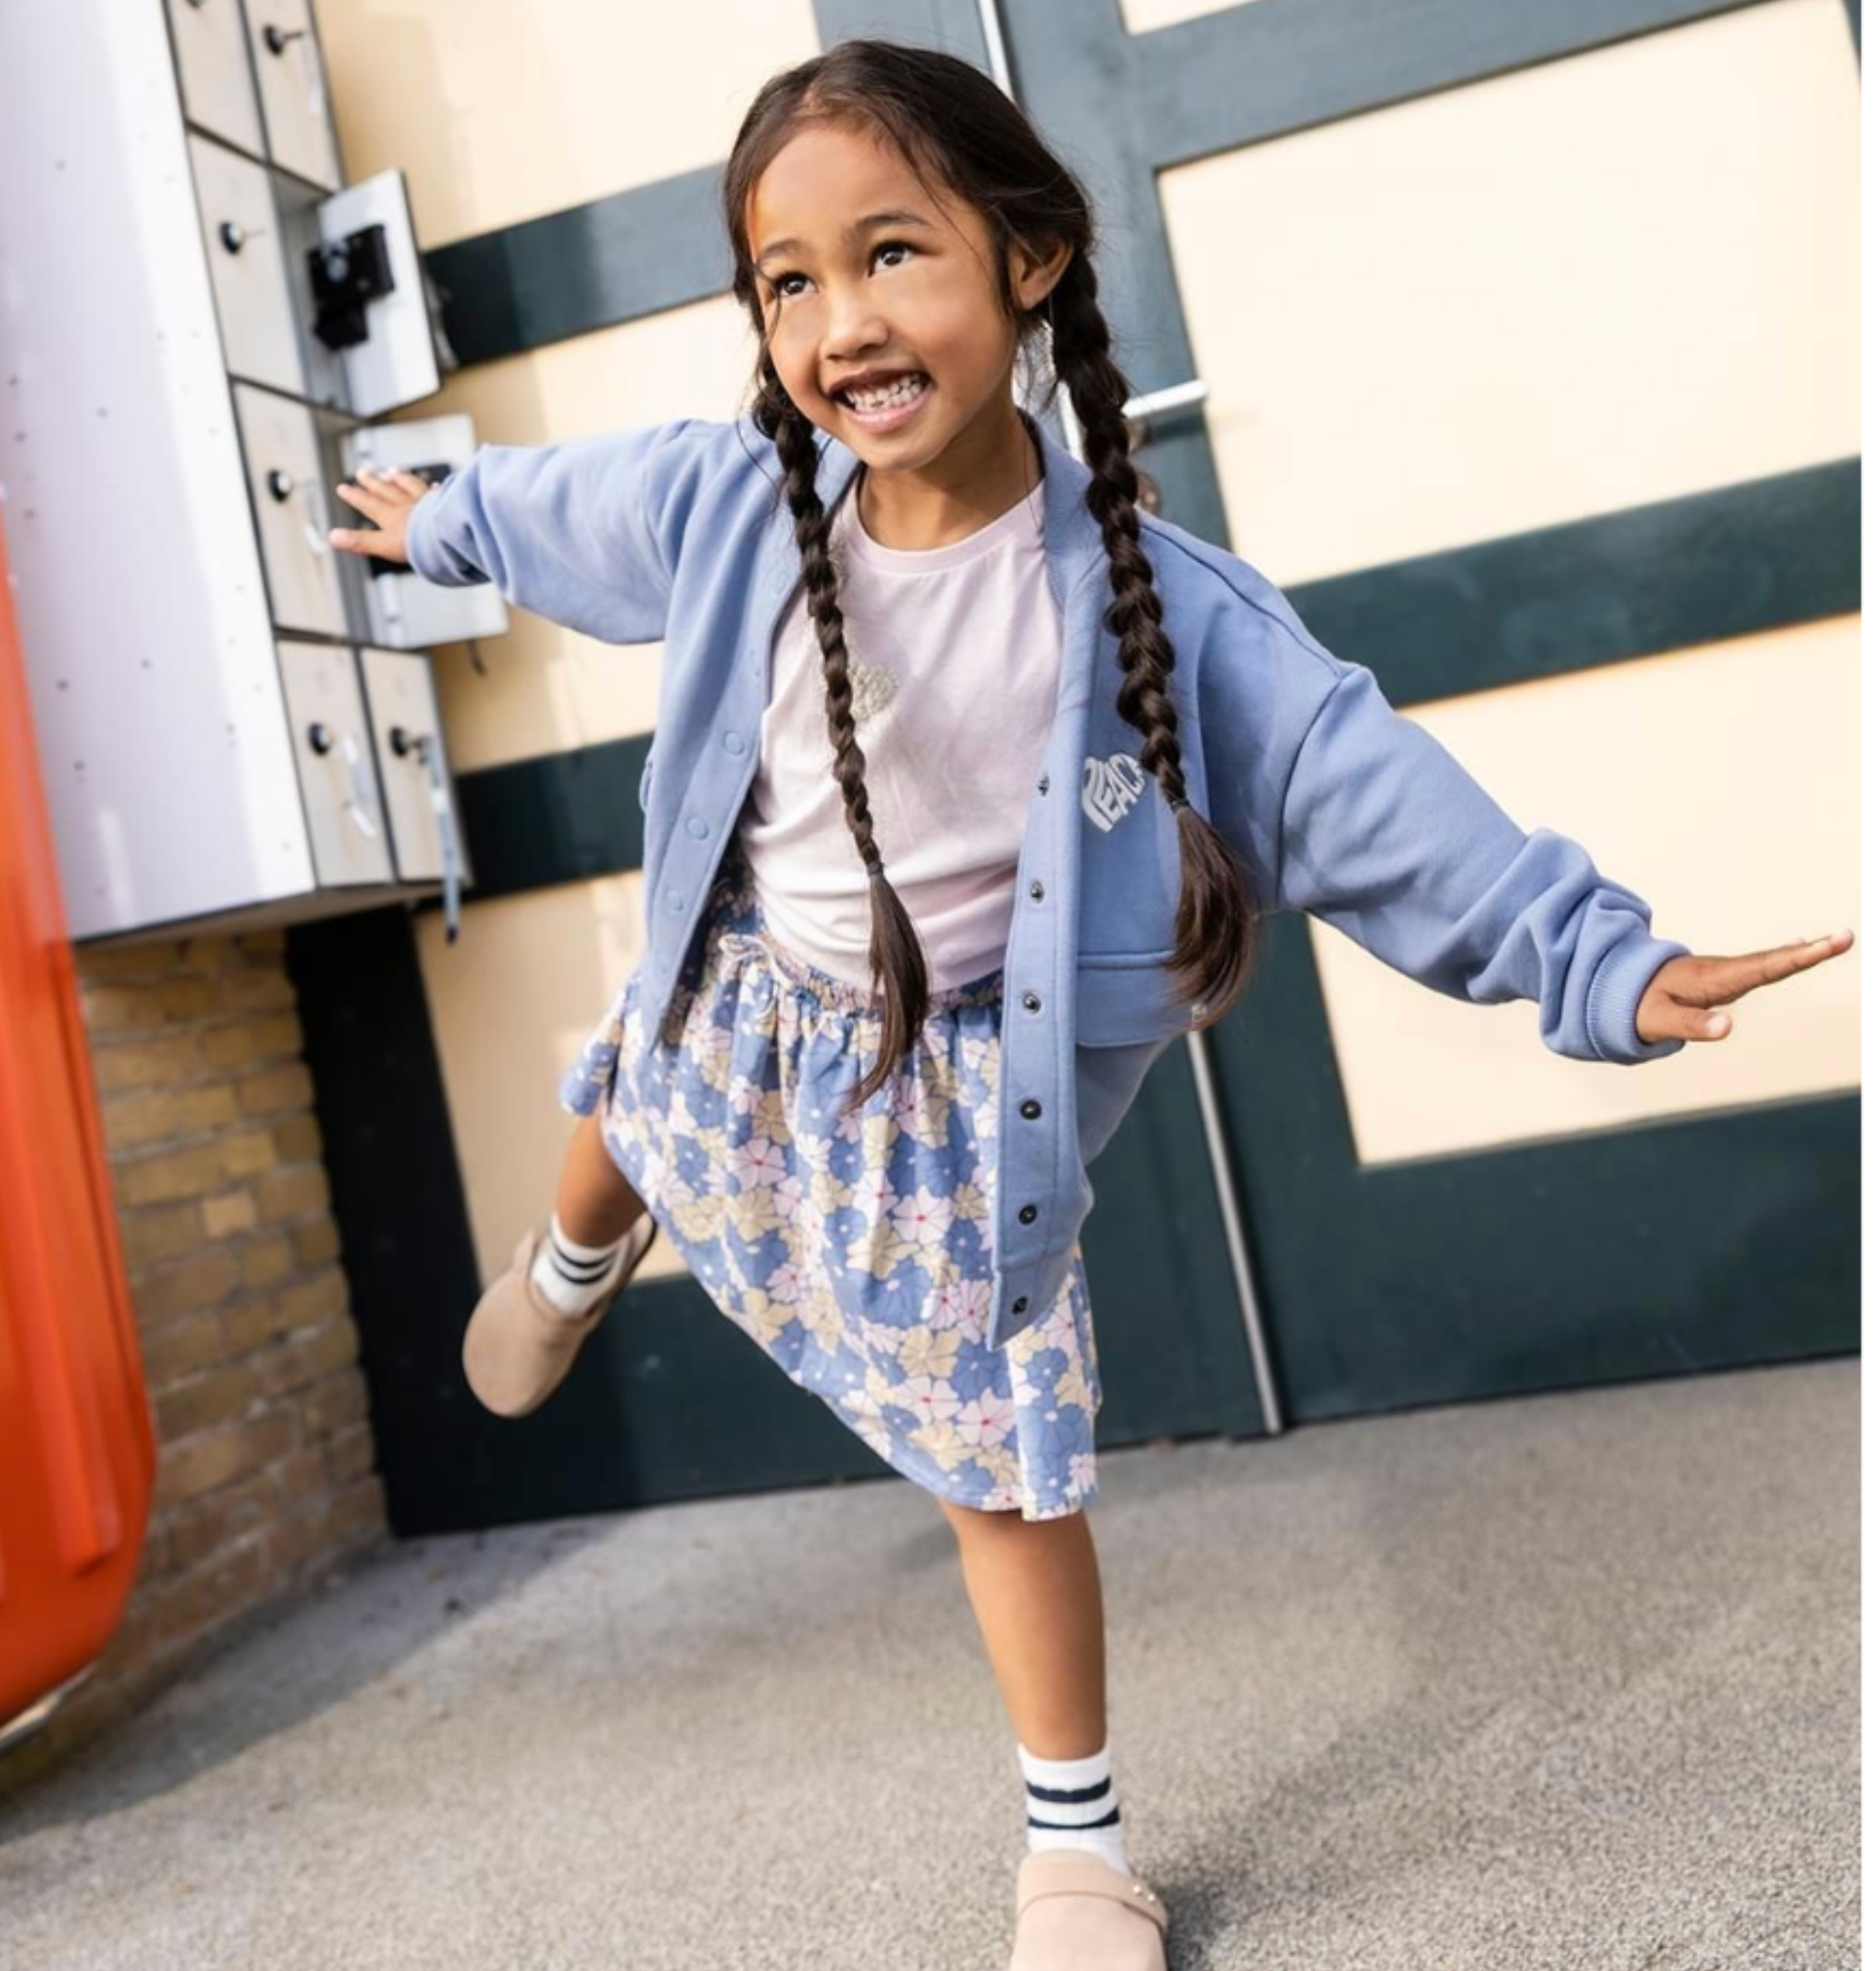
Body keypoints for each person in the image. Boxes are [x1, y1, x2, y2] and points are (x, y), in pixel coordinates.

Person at [329, 39, 1853, 1970]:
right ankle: (562, 1274)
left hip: (954, 1097)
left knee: (1001, 1469)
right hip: (754, 986)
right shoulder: (734, 506)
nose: (840, 321)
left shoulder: (1162, 614)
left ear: (1030, 254)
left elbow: (1371, 794)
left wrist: (1600, 959)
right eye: (789, 282)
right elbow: (566, 511)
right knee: (638, 1096)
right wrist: (444, 521)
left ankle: (1077, 1850)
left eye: (892, 253)